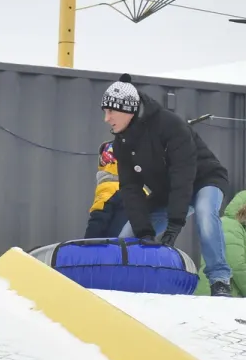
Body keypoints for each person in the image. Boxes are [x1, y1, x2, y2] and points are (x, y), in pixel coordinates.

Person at [100, 75, 233, 294]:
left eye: (110, 111)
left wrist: (175, 224)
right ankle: (129, 280)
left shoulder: (170, 125)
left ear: (127, 110)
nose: (107, 118)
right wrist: (144, 232)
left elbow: (183, 174)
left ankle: (219, 279)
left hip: (204, 180)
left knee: (205, 213)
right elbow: (130, 189)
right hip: (168, 192)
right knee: (127, 236)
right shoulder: (122, 143)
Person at [194, 189, 246, 297]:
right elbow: (235, 264)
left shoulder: (224, 223)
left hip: (211, 292)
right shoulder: (231, 226)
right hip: (218, 295)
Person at [84, 139, 123, 238]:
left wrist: (86, 246)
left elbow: (97, 221)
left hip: (113, 249)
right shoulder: (143, 192)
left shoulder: (108, 187)